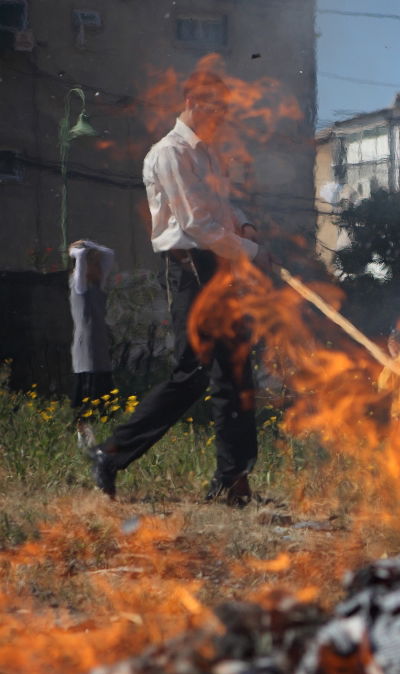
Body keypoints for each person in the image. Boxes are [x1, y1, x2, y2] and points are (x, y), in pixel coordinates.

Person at [88, 69, 271, 506]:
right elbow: (194, 223)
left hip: (219, 266)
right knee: (191, 376)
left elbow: (218, 207)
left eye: (226, 108)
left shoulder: (206, 154)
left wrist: (241, 220)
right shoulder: (170, 154)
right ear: (191, 100)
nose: (222, 115)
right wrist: (252, 251)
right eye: (215, 106)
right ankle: (110, 456)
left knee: (236, 374)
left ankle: (232, 481)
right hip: (191, 268)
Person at [68, 239, 116, 449]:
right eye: (93, 265)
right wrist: (79, 252)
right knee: (85, 400)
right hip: (85, 354)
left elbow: (109, 252)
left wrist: (88, 244)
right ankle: (83, 441)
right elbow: (80, 257)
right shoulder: (79, 288)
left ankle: (100, 439)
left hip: (101, 354)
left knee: (104, 400)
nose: (98, 268)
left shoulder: (98, 288)